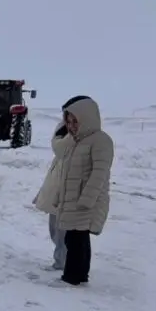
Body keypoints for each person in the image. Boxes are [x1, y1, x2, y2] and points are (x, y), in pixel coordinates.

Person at [40, 95, 113, 285]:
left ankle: (72, 277)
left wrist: (86, 200)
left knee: (77, 239)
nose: (71, 125)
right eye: (68, 121)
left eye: (75, 121)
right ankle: (78, 275)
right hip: (73, 199)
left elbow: (99, 173)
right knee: (75, 238)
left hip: (85, 200)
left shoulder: (100, 141)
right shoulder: (77, 141)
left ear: (86, 118)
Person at [33, 120, 73, 270]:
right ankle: (62, 259)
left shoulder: (74, 148)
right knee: (54, 231)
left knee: (63, 233)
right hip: (55, 197)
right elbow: (53, 177)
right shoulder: (61, 153)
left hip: (66, 198)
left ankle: (62, 262)